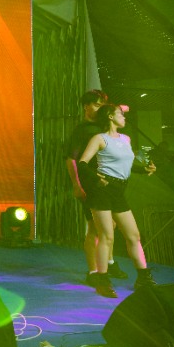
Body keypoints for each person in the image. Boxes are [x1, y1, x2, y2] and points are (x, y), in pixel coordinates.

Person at [79, 104, 158, 298]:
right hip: (102, 191)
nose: (124, 117)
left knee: (134, 235)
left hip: (119, 190)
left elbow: (127, 165)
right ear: (110, 116)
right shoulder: (99, 139)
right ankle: (102, 281)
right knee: (107, 236)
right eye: (120, 114)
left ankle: (144, 278)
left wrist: (144, 169)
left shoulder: (126, 139)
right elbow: (82, 164)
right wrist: (96, 179)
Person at [65, 89, 126, 286]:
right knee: (94, 228)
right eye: (97, 105)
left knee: (111, 225)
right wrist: (77, 185)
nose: (100, 109)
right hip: (90, 184)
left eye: (102, 105)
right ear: (86, 107)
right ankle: (93, 272)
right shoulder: (81, 130)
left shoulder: (104, 127)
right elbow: (71, 159)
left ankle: (109, 262)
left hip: (108, 184)